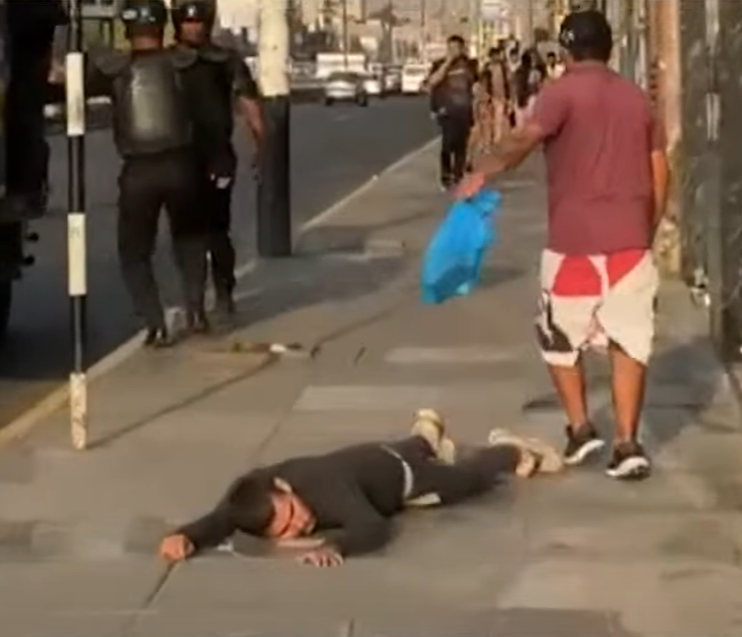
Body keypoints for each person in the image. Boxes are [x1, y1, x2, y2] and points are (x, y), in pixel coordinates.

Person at [457, 10, 669, 480]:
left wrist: (481, 172)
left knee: (558, 338)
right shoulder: (637, 99)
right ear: (610, 48)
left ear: (567, 50)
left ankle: (580, 428)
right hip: (630, 245)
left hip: (573, 243)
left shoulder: (560, 93)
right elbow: (660, 171)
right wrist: (645, 230)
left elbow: (521, 142)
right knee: (630, 343)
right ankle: (628, 442)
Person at [159, 410, 563, 567]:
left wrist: (336, 547)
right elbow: (223, 518)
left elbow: (373, 527)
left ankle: (510, 449)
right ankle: (424, 435)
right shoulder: (255, 489)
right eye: (283, 530)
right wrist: (185, 536)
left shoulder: (325, 489)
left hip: (404, 479)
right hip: (369, 457)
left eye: (291, 513)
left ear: (283, 488)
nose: (298, 524)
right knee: (400, 453)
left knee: (470, 479)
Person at [75, 0, 213, 346]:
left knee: (135, 253)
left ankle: (155, 324)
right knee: (190, 241)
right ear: (163, 26)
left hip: (138, 172)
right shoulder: (184, 63)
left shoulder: (113, 69)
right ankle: (195, 311)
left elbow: (67, 83)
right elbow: (207, 117)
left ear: (125, 28)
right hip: (182, 166)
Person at [170, 0, 265, 327]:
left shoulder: (226, 60)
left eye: (199, 22)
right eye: (187, 22)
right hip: (178, 159)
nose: (194, 27)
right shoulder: (167, 62)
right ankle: (194, 304)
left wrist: (261, 146)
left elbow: (249, 103)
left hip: (217, 157)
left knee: (215, 231)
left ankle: (224, 292)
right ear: (177, 24)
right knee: (185, 234)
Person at [5, 0, 67, 215]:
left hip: (24, 43)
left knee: (24, 119)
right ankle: (27, 189)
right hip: (25, 40)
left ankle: (27, 189)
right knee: (25, 119)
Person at [424, 35, 480, 189]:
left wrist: (478, 103)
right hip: (446, 110)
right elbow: (432, 82)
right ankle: (446, 174)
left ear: (462, 49)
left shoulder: (470, 65)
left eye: (456, 48)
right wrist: (447, 63)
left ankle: (458, 175)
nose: (453, 51)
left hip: (465, 110)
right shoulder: (439, 64)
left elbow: (476, 84)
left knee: (461, 145)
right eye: (450, 48)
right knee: (448, 144)